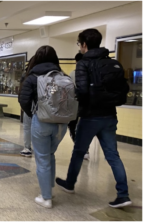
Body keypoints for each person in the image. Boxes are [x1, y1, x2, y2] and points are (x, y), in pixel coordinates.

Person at [56, 29, 132, 208]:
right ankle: (124, 194)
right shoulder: (112, 63)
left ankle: (70, 183)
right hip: (110, 115)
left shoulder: (84, 64)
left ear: (84, 45)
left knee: (79, 151)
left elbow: (82, 91)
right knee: (113, 155)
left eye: (79, 44)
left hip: (90, 116)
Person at [18, 45, 68, 209]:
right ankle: (50, 190)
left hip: (41, 122)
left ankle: (46, 197)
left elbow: (23, 100)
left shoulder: (32, 77)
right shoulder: (63, 76)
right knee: (50, 155)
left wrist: (33, 115)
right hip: (61, 125)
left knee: (42, 159)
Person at [68, 52, 90, 160]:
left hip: (75, 105)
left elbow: (70, 90)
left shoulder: (73, 74)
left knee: (72, 126)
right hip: (89, 106)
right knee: (85, 128)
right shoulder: (91, 72)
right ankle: (85, 149)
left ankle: (80, 148)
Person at [19, 56, 36, 157]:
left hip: (28, 105)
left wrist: (22, 104)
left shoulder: (26, 75)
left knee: (27, 127)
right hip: (42, 107)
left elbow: (21, 91)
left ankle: (27, 148)